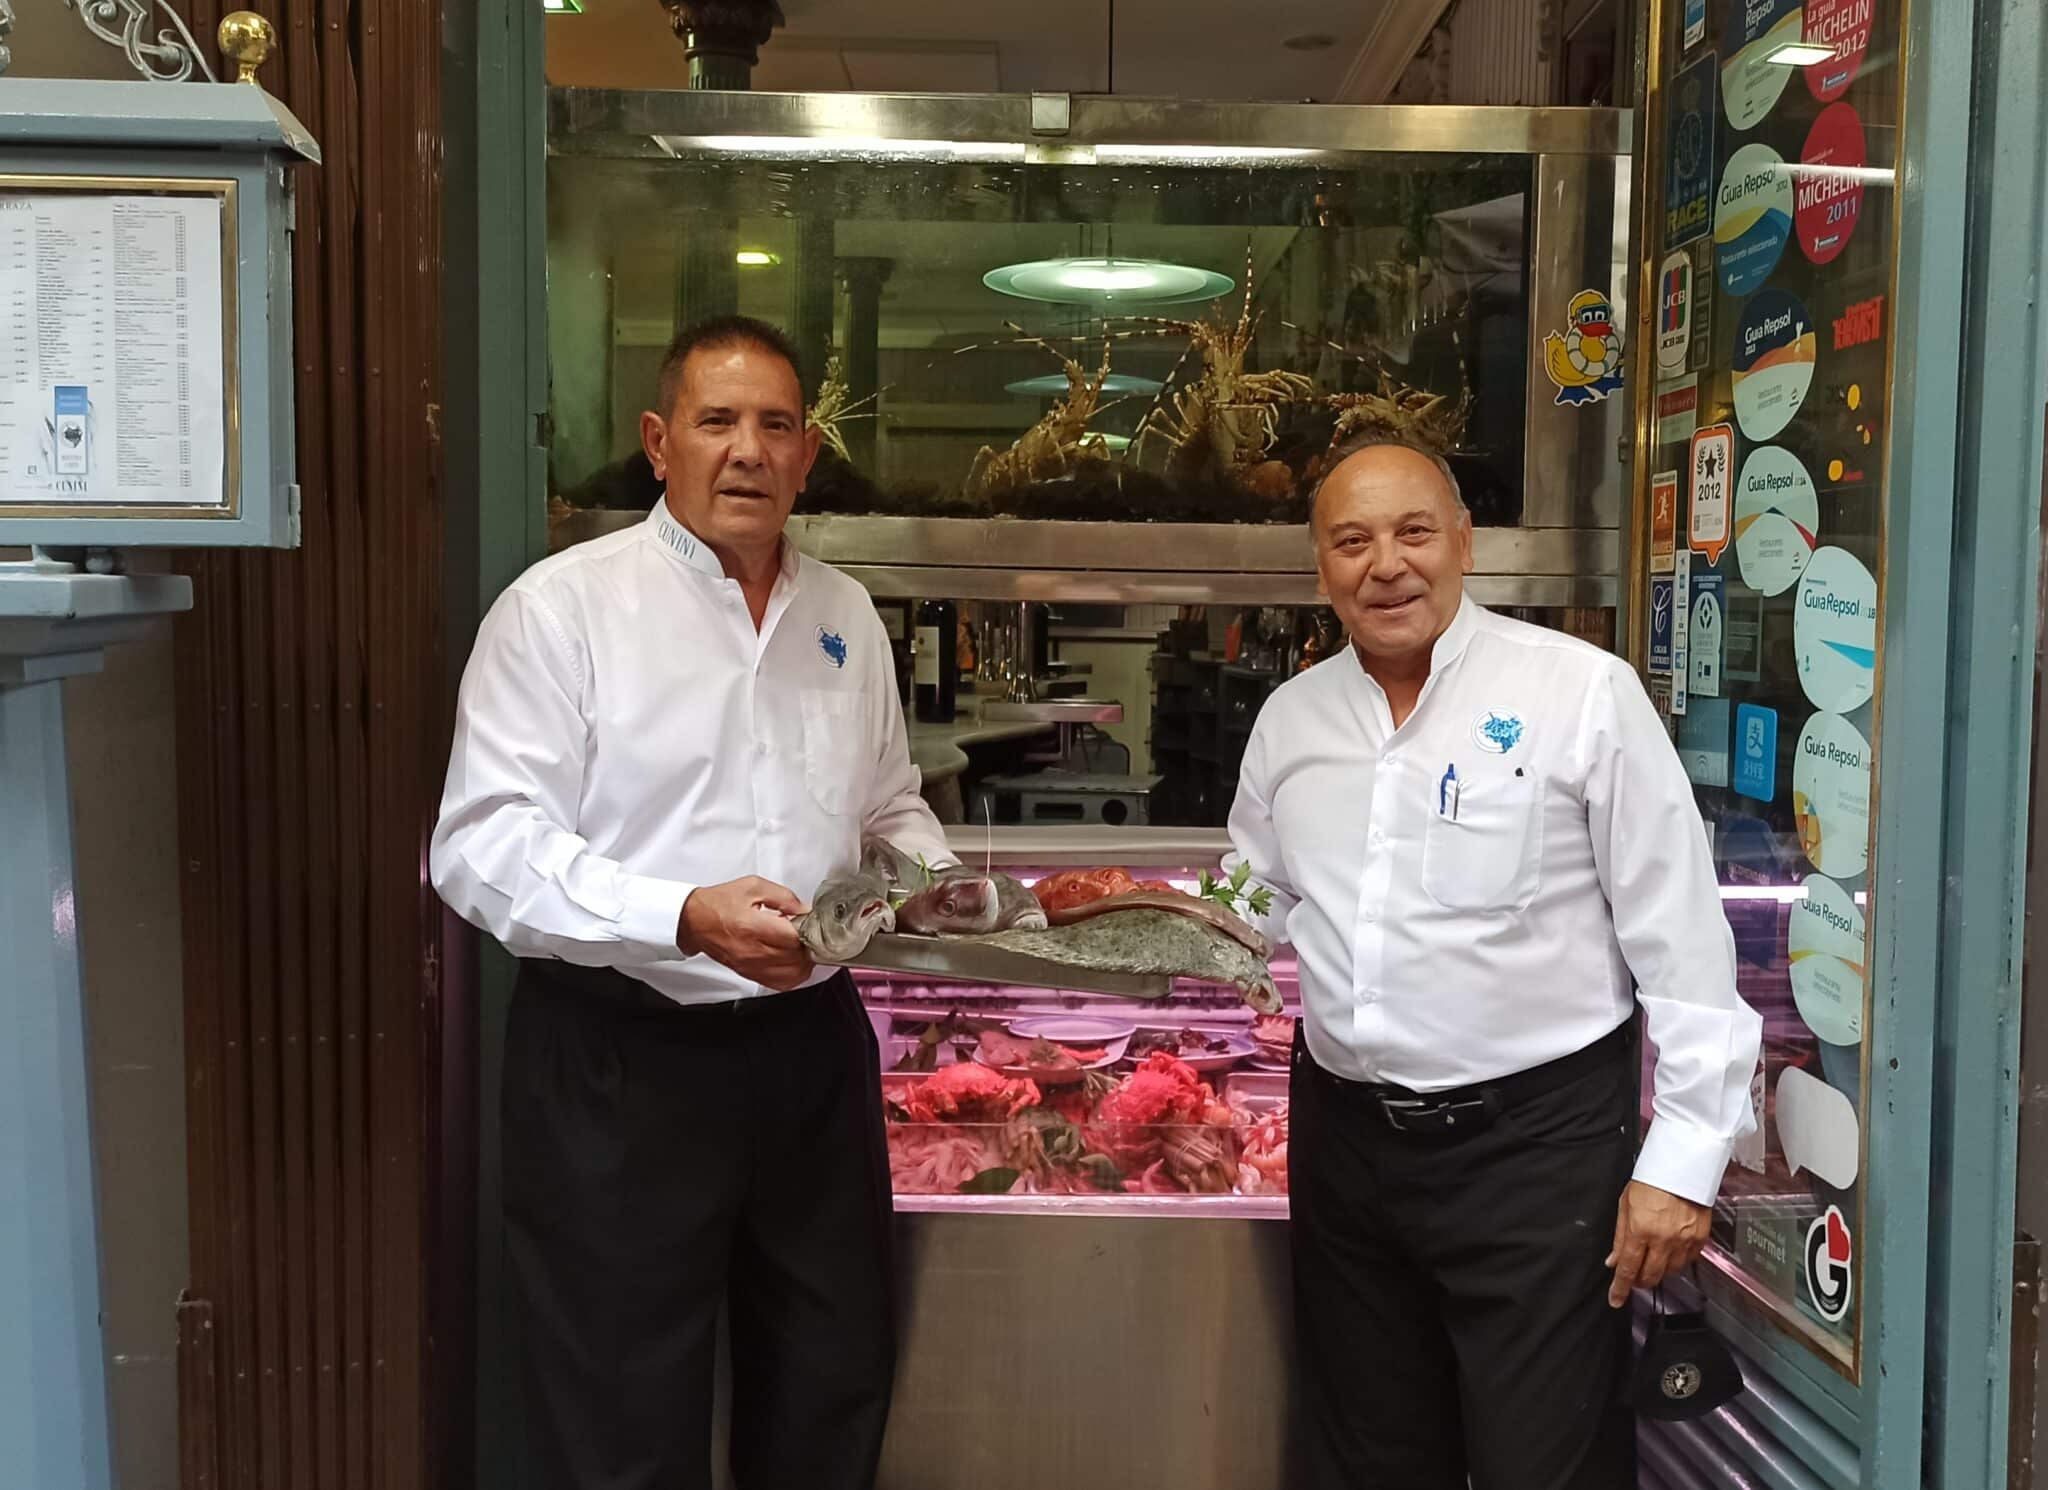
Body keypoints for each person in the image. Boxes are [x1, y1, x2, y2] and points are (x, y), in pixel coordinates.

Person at [430, 316, 949, 1490]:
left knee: (827, 1386)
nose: (747, 451)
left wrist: (927, 890)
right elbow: (479, 844)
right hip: (617, 1064)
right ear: (659, 443)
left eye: (774, 425)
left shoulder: (844, 616)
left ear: (808, 454)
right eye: (717, 422)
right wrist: (678, 912)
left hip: (811, 1058)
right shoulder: (560, 610)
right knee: (618, 1418)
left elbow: (887, 808)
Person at [1221, 436, 1763, 1490]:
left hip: (1534, 1154)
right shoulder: (1290, 720)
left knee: (1541, 1464)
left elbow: (1682, 939)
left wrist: (1680, 1159)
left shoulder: (1580, 694)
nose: (1386, 564)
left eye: (1413, 531)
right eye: (1352, 540)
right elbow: (1256, 887)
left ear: (1463, 544)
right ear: (1320, 566)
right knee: (1369, 1456)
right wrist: (1146, 932)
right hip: (1343, 1147)